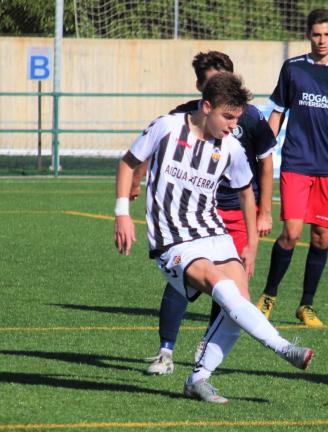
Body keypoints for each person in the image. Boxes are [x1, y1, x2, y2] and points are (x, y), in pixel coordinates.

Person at [114, 72, 313, 403]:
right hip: (172, 239)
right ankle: (283, 347)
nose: (234, 125)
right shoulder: (166, 127)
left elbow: (247, 193)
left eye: (238, 118)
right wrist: (122, 212)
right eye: (228, 117)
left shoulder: (231, 147)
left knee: (238, 302)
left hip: (212, 232)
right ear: (206, 107)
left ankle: (198, 379)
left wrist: (250, 244)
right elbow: (128, 163)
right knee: (220, 286)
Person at [129, 51, 277, 376]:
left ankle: (205, 352)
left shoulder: (249, 117)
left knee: (232, 289)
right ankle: (166, 349)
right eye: (212, 81)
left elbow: (265, 160)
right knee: (185, 280)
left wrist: (265, 209)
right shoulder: (183, 116)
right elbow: (152, 146)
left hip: (235, 212)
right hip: (192, 212)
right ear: (201, 88)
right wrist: (136, 180)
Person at [256, 8, 328, 327]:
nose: (322, 40)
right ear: (309, 35)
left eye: (327, 34)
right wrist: (267, 142)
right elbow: (277, 111)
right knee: (291, 232)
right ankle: (269, 295)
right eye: (316, 34)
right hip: (296, 163)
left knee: (321, 238)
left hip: (327, 168)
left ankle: (306, 305)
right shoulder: (293, 69)